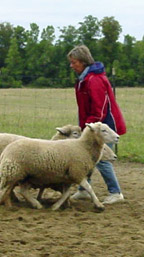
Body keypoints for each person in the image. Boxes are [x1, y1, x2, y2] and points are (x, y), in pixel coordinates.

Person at [67, 45, 126, 204]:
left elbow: (98, 108)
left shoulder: (95, 80)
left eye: (74, 62)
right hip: (92, 126)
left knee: (102, 159)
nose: (71, 66)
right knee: (86, 158)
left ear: (83, 62)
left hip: (103, 126)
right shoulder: (83, 80)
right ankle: (84, 190)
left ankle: (116, 192)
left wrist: (90, 128)